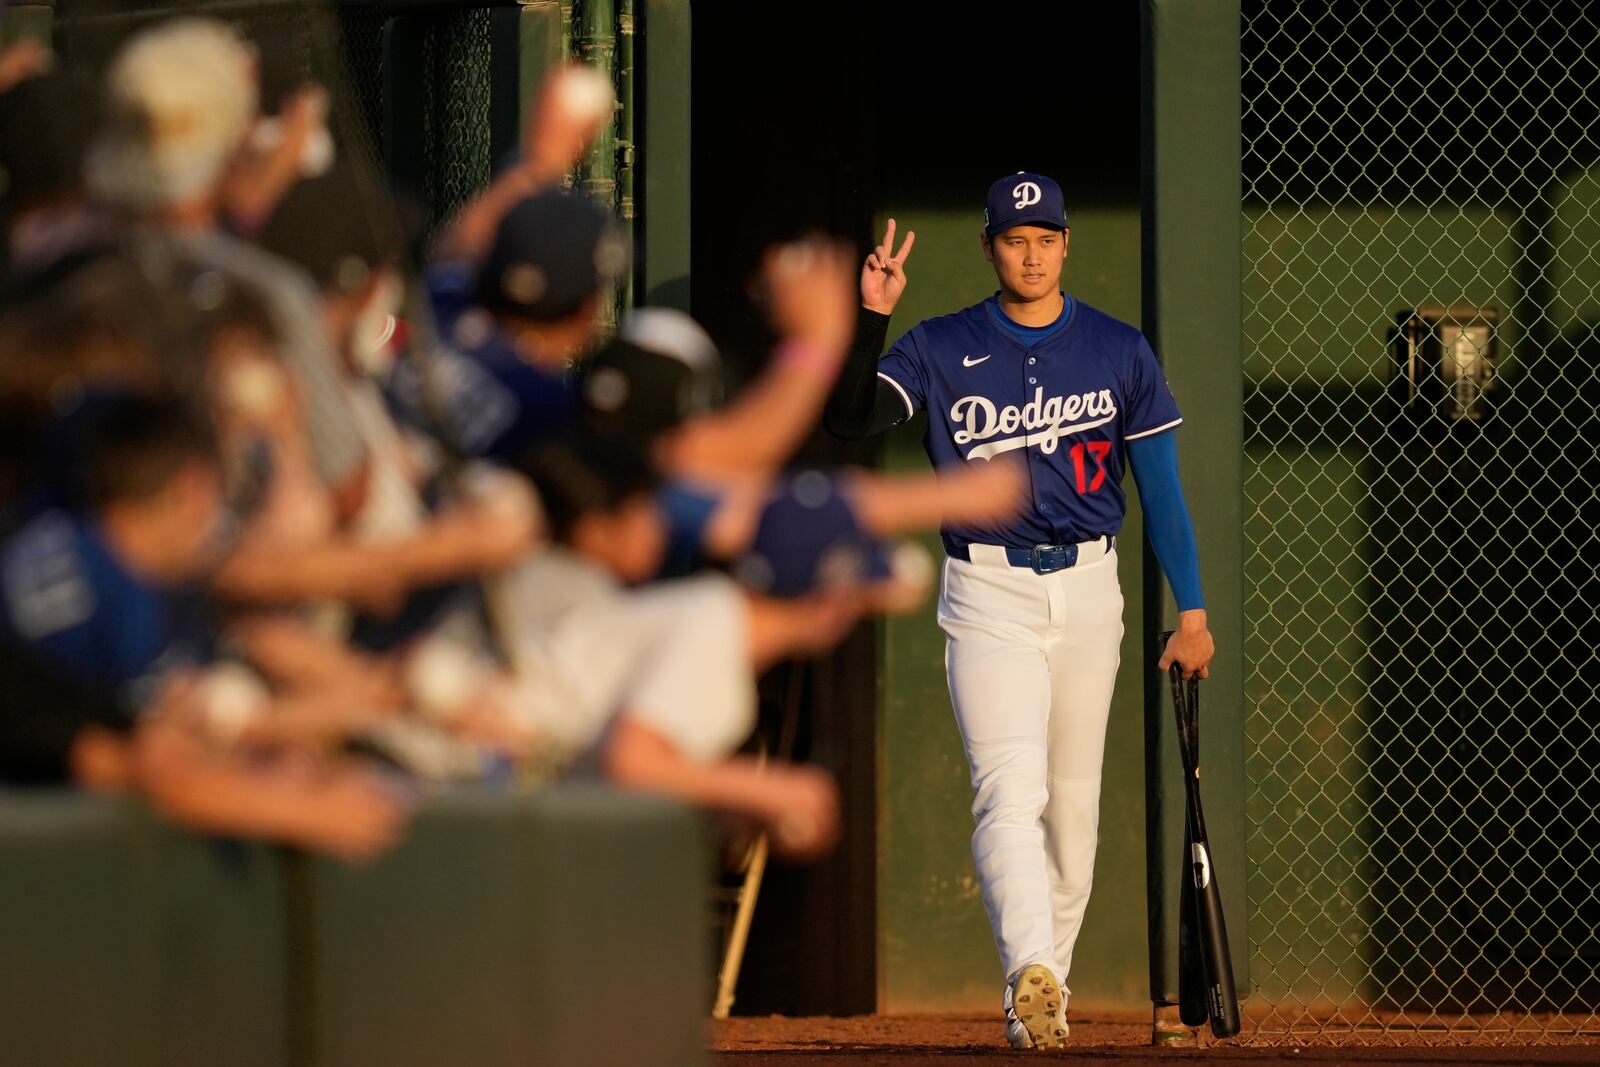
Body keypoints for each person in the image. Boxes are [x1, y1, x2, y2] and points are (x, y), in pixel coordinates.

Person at [824, 172, 1216, 1049]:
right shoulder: (938, 342)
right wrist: (871, 317)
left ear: (1067, 244)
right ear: (991, 248)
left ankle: (1045, 997)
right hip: (987, 587)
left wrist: (1192, 611)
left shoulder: (1119, 350)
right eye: (1014, 238)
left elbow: (1163, 493)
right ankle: (1027, 971)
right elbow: (850, 421)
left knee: (1073, 817)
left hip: (1089, 589)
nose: (1031, 252)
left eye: (1045, 237)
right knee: (1009, 793)